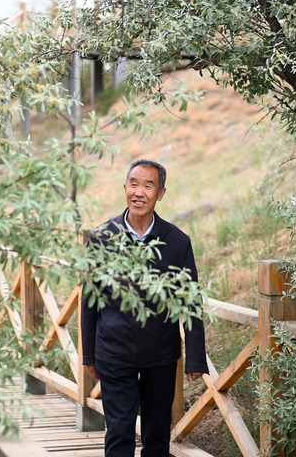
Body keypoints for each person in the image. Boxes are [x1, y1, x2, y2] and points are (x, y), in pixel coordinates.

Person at [81, 159, 208, 457]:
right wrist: (89, 354)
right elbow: (89, 301)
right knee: (119, 433)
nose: (139, 192)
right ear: (124, 188)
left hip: (160, 354)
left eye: (148, 185)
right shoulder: (101, 239)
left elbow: (190, 302)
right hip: (114, 351)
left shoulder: (177, 242)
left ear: (161, 193)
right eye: (134, 184)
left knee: (156, 437)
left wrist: (195, 359)